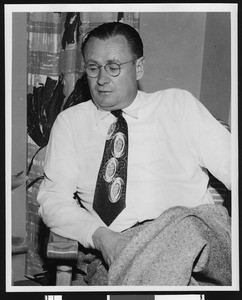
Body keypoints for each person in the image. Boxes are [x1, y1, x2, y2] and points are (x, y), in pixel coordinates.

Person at [37, 22, 231, 280]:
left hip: (196, 235)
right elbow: (53, 200)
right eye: (93, 68)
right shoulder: (70, 123)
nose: (102, 79)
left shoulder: (177, 105)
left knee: (182, 224)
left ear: (139, 67)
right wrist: (103, 238)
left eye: (113, 67)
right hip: (116, 250)